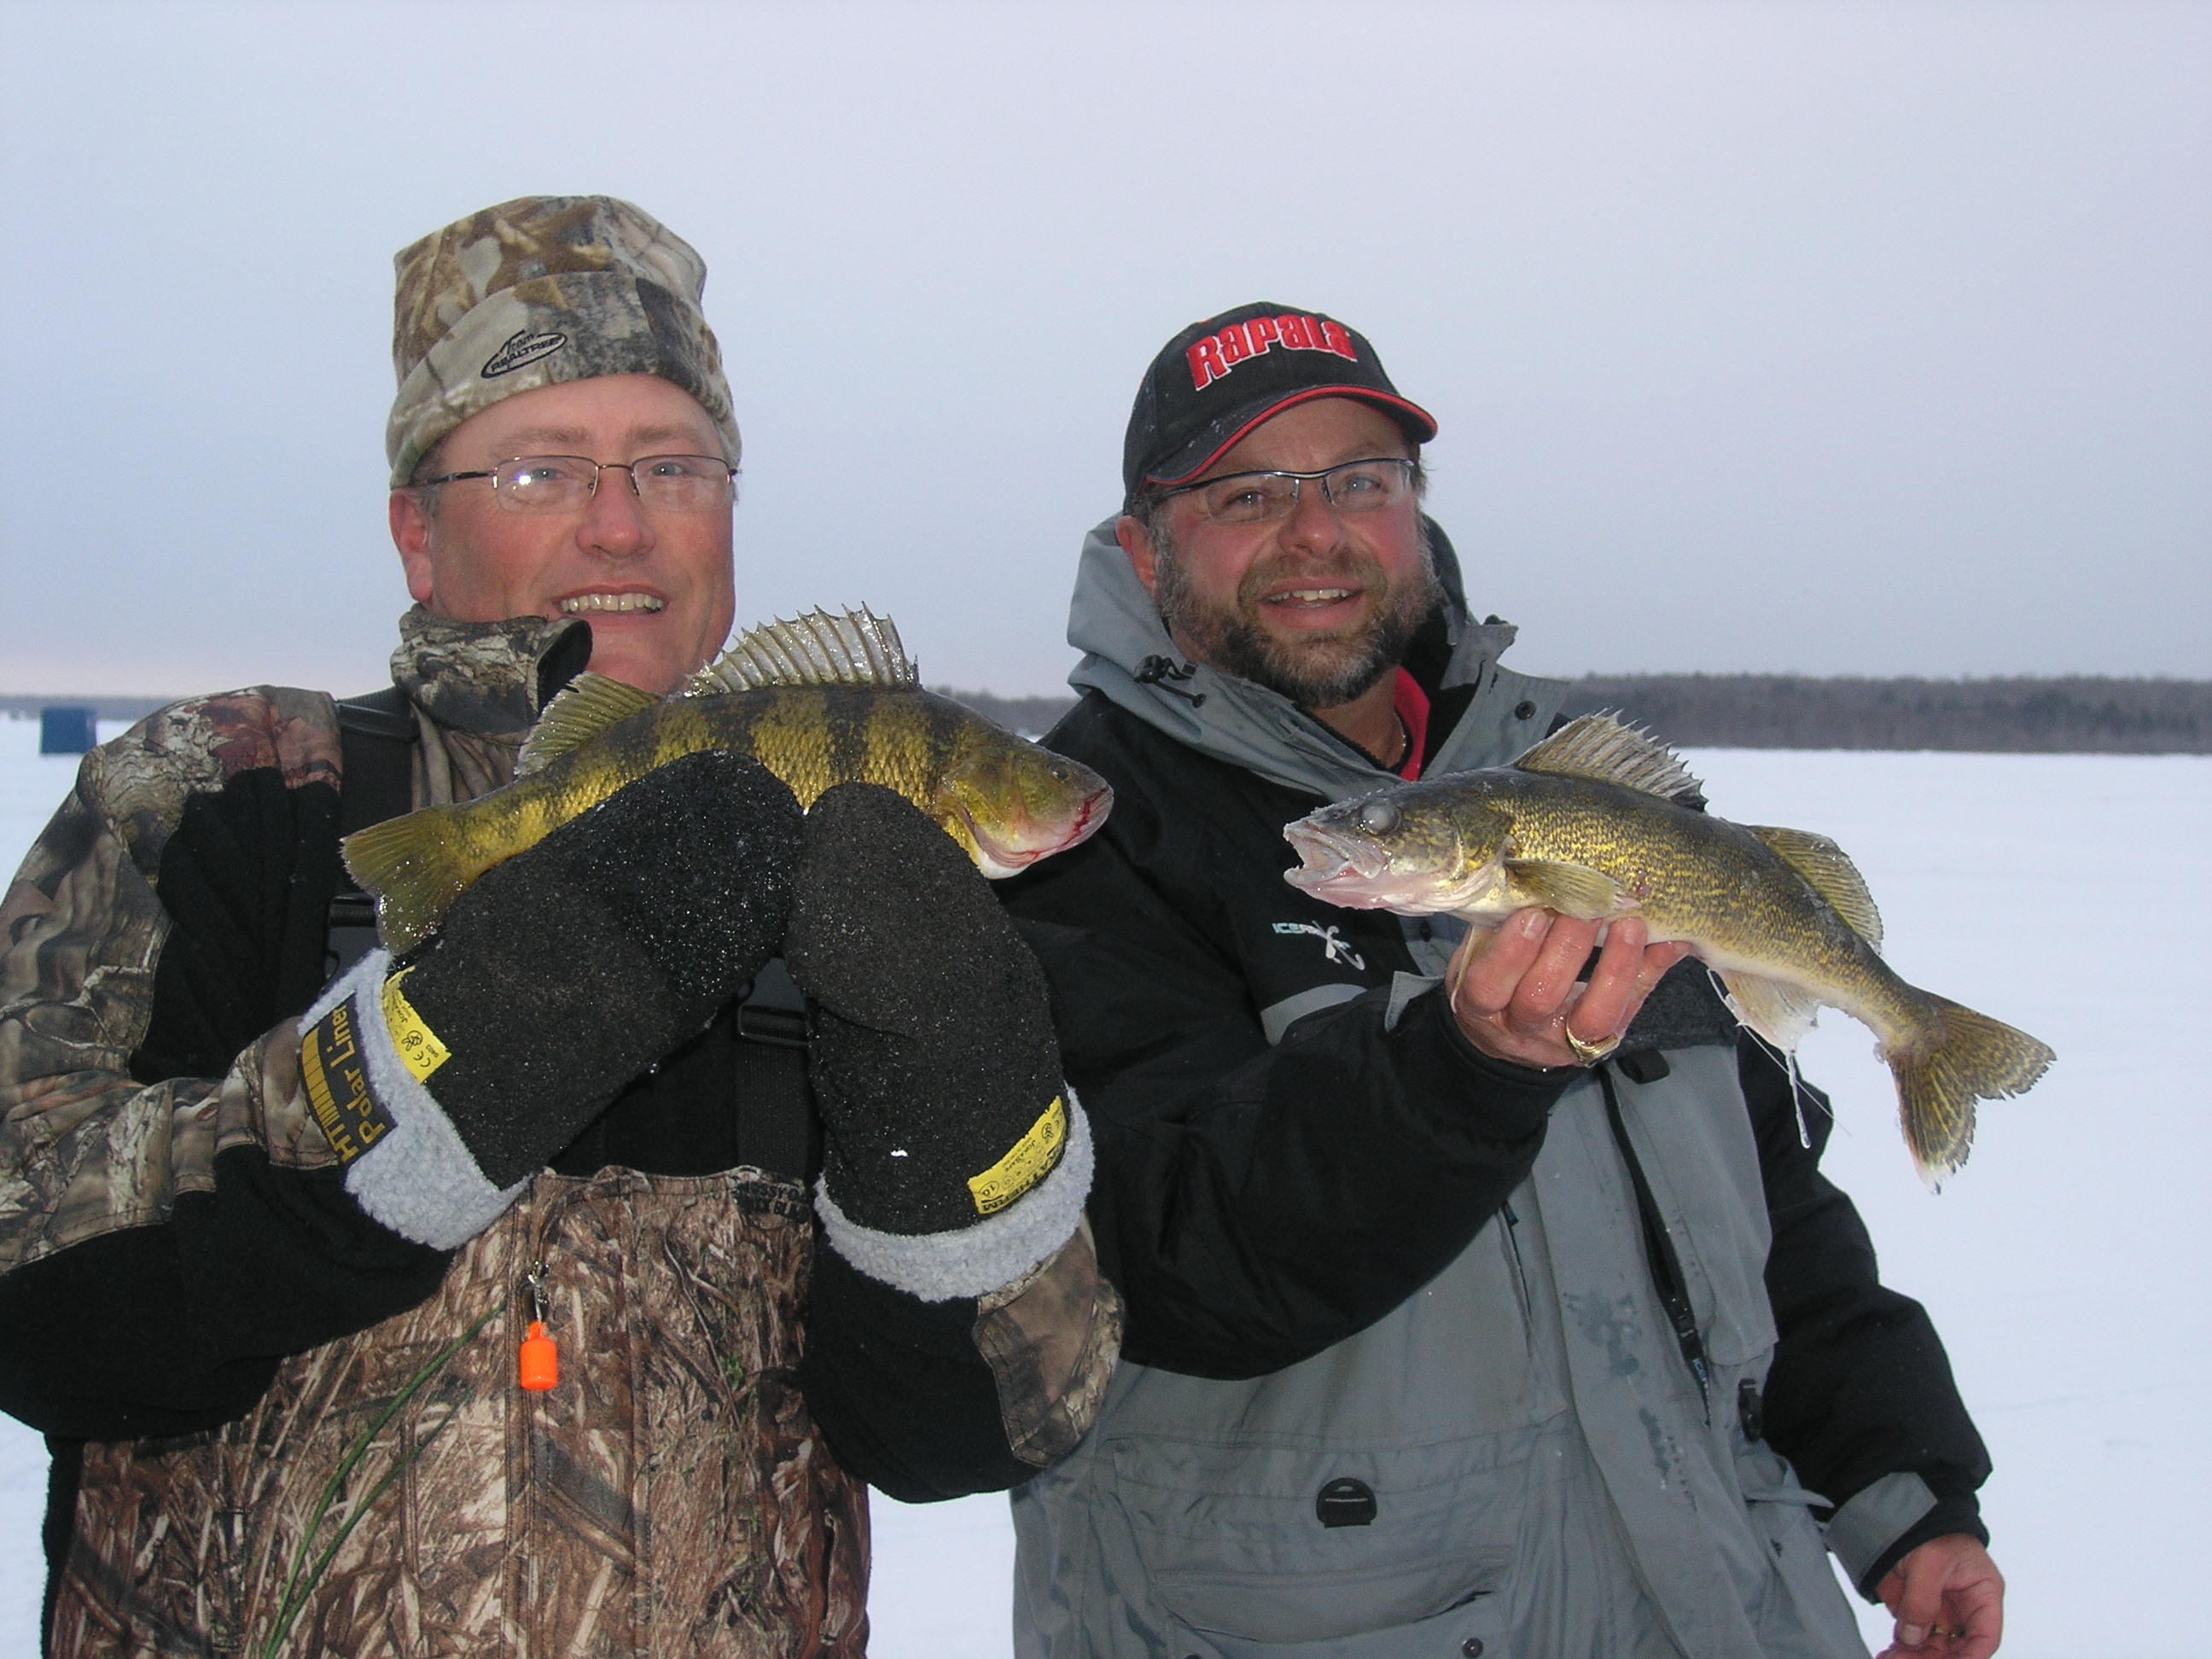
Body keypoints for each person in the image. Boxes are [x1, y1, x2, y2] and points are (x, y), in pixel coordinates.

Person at [0, 195, 1119, 1659]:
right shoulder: (227, 798)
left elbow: (978, 1429)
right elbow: (33, 1289)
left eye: (673, 464)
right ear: (415, 530)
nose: (621, 522)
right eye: (542, 468)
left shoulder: (857, 856)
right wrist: (409, 1078)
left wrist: (958, 1120)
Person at [998, 303, 2004, 1659]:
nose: (1316, 532)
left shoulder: (1572, 796)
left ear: (1415, 508)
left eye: (1362, 480)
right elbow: (1144, 1262)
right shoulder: (1068, 838)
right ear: (1144, 545)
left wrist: (1904, 1494)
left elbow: (1766, 1207)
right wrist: (1454, 1073)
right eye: (1248, 494)